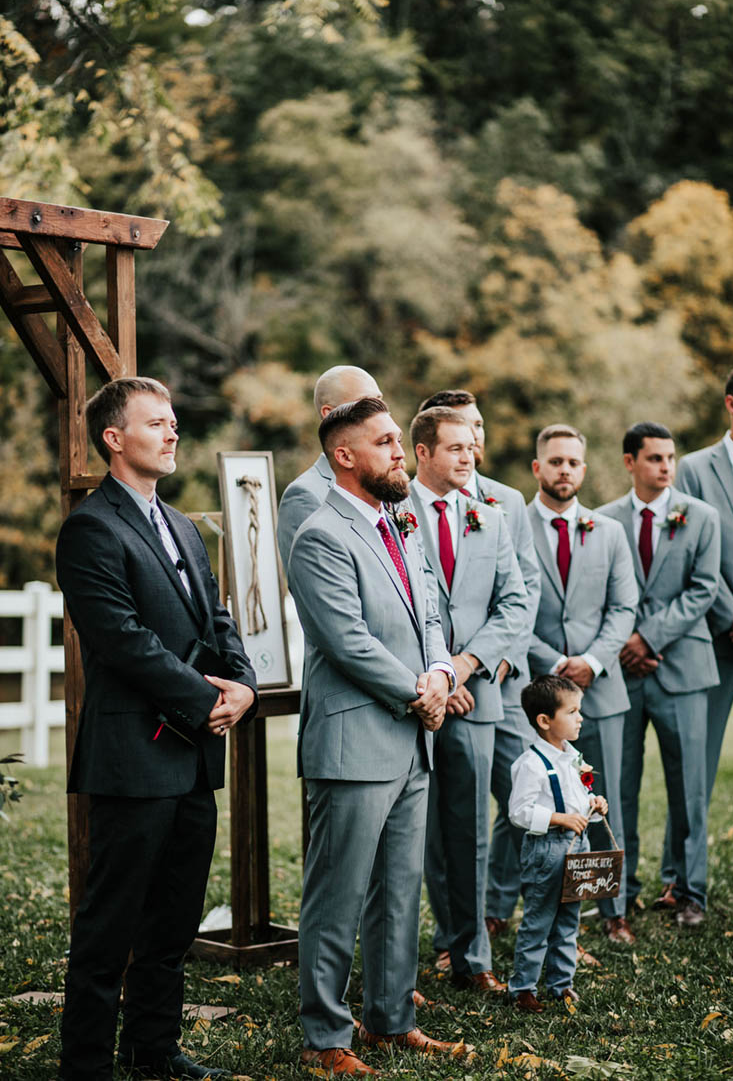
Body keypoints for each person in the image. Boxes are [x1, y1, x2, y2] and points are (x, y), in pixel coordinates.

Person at [56, 377, 258, 1081]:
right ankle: (84, 1064)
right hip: (131, 756)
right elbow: (120, 638)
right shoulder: (90, 527)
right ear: (115, 437)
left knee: (173, 921)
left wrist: (244, 684)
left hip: (194, 761)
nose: (173, 432)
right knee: (109, 925)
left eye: (174, 421)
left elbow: (219, 618)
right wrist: (203, 699)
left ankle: (154, 1049)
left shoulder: (182, 526)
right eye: (157, 422)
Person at [287, 397, 470, 1076]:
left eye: (398, 439)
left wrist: (443, 670)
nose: (401, 451)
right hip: (356, 740)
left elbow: (431, 611)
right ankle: (326, 1034)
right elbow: (347, 642)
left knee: (398, 890)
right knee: (337, 894)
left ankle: (394, 1019)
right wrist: (419, 693)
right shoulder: (320, 534)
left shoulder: (400, 520)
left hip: (413, 737)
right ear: (345, 455)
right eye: (387, 441)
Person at [408, 407, 527, 994]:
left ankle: (472, 958)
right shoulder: (390, 513)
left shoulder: (489, 517)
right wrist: (430, 678)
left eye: (471, 448)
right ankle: (406, 957)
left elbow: (515, 604)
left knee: (470, 830)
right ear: (422, 452)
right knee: (416, 833)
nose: (468, 457)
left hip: (476, 698)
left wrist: (463, 668)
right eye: (454, 448)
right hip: (407, 701)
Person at [598, 422, 720, 929]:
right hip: (620, 675)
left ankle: (690, 891)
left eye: (670, 457)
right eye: (654, 458)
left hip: (682, 668)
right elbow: (598, 591)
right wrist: (624, 641)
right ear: (630, 462)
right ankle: (617, 896)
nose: (666, 467)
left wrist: (648, 638)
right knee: (616, 788)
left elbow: (703, 588)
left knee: (689, 785)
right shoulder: (602, 522)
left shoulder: (702, 518)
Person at [527, 424, 638, 943]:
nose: (564, 470)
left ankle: (613, 909)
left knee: (605, 796)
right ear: (537, 468)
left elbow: (623, 607)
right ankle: (521, 904)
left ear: (584, 470)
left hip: (601, 690)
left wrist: (593, 659)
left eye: (573, 462)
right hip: (538, 696)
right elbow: (511, 606)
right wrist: (553, 663)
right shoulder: (511, 527)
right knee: (537, 802)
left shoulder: (609, 530)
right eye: (555, 462)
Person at [664, 366, 733, 908]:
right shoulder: (692, 470)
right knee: (695, 765)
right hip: (716, 640)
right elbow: (686, 556)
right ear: (732, 404)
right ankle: (679, 881)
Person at [508, 675, 608, 1013]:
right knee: (539, 919)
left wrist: (593, 805)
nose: (581, 717)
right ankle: (523, 988)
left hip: (577, 847)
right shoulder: (531, 764)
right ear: (544, 720)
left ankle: (561, 983)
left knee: (569, 916)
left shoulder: (573, 756)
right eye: (573, 711)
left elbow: (579, 797)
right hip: (546, 850)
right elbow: (519, 812)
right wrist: (559, 818)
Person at [276, 365, 382, 572]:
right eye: (367, 404)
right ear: (331, 414)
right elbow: (312, 581)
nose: (380, 413)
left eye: (380, 401)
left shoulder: (387, 480)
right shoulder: (304, 496)